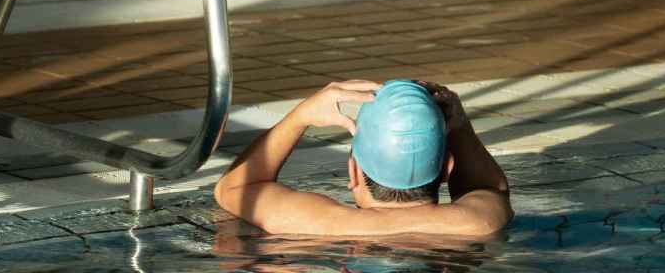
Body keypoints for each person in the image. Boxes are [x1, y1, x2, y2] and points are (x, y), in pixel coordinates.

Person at [213, 79, 512, 236]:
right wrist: (459, 127)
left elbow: (234, 190)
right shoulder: (479, 221)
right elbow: (489, 188)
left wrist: (299, 117)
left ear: (353, 171)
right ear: (448, 167)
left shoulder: (325, 225)